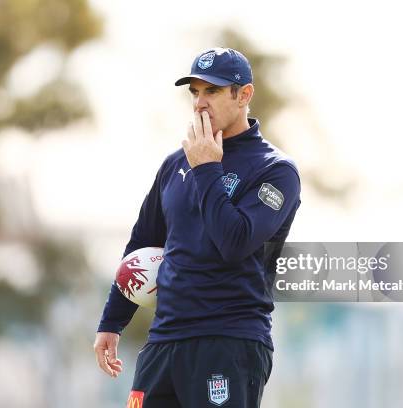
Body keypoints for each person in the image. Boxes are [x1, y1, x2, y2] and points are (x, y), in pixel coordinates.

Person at [94, 47, 301, 408]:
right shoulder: (175, 164)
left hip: (228, 341)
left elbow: (234, 242)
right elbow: (142, 243)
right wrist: (112, 321)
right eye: (195, 92)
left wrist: (207, 169)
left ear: (244, 95)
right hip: (164, 342)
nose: (200, 103)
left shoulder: (276, 170)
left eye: (214, 91)